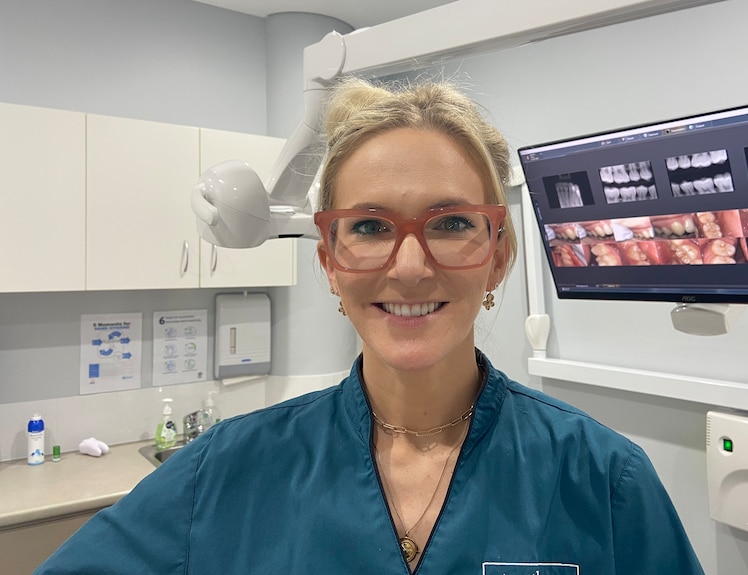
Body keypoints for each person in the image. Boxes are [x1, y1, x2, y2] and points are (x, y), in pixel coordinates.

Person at [36, 78, 704, 574]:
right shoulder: (223, 472)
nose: (409, 266)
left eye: (450, 223)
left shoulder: (604, 479)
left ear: (498, 255)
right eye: (369, 226)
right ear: (328, 259)